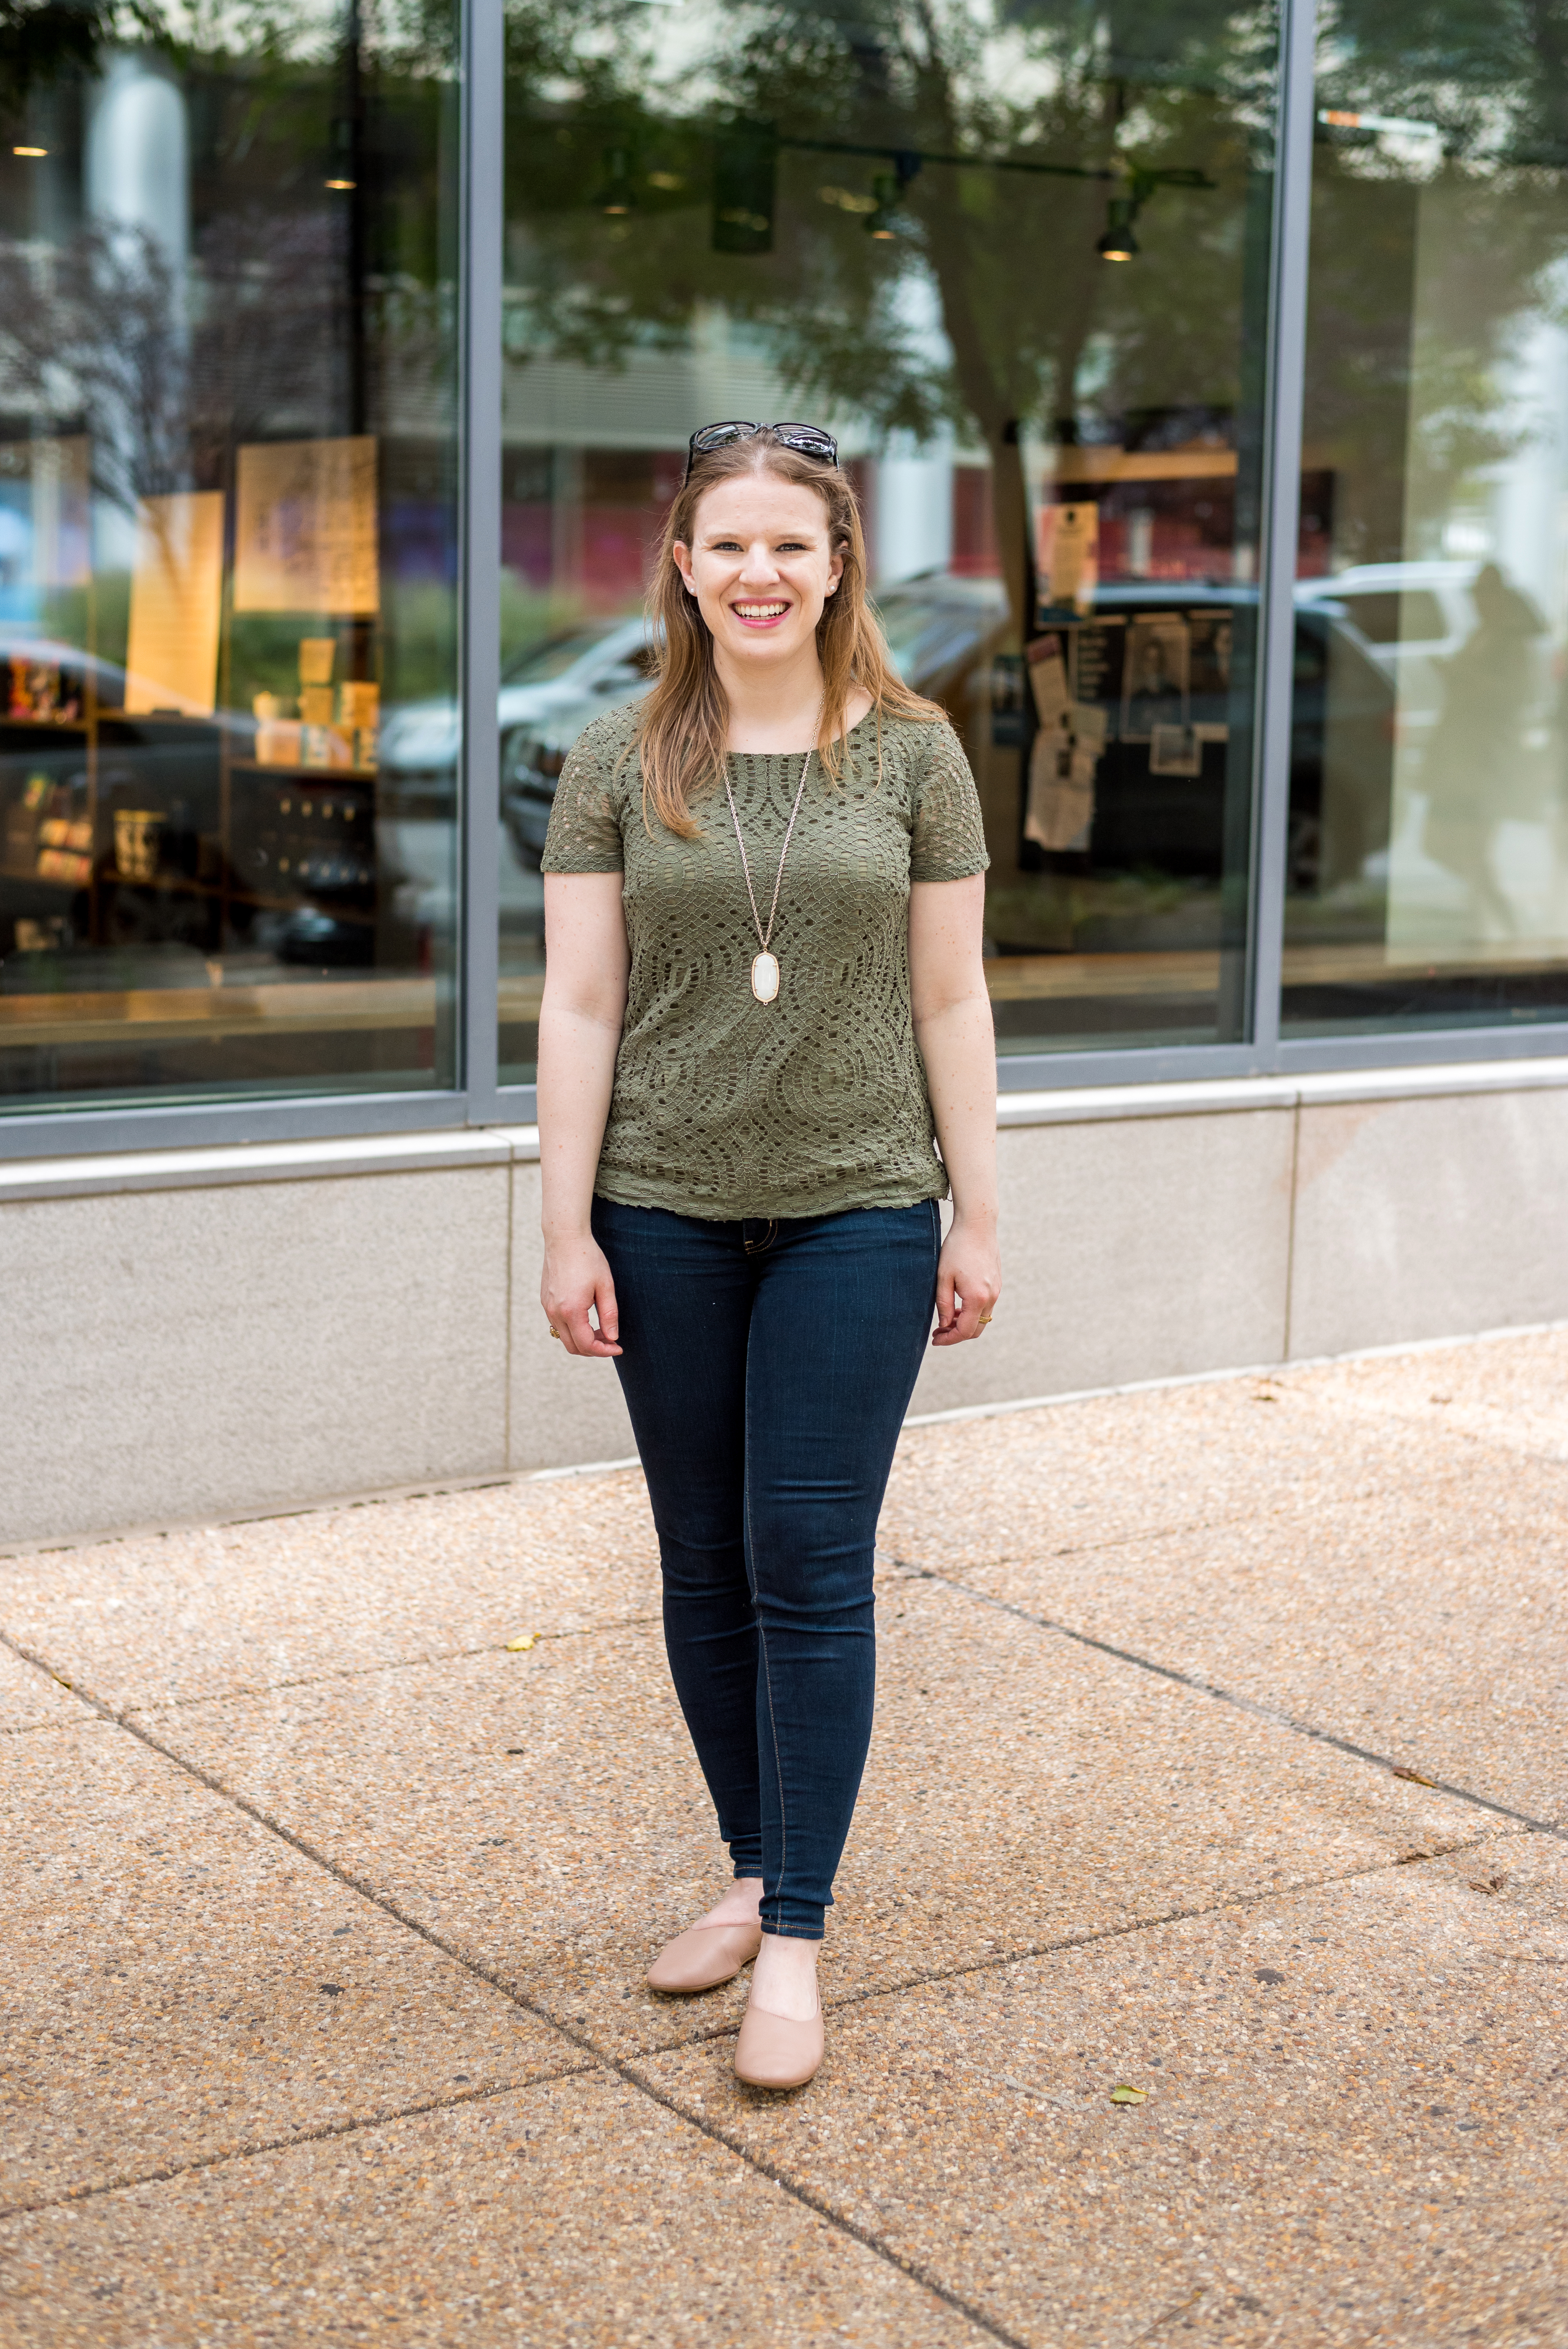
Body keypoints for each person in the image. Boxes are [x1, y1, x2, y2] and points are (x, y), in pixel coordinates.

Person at [535, 419, 1000, 2091]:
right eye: (725, 544)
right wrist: (565, 1220)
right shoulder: (612, 757)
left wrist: (977, 1208)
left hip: (857, 1209)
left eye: (788, 546)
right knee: (700, 1564)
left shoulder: (913, 758)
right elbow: (580, 1002)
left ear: (835, 564)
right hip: (660, 1212)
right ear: (680, 563)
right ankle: (747, 1862)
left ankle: (792, 1931)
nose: (757, 572)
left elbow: (950, 996)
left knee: (809, 1558)